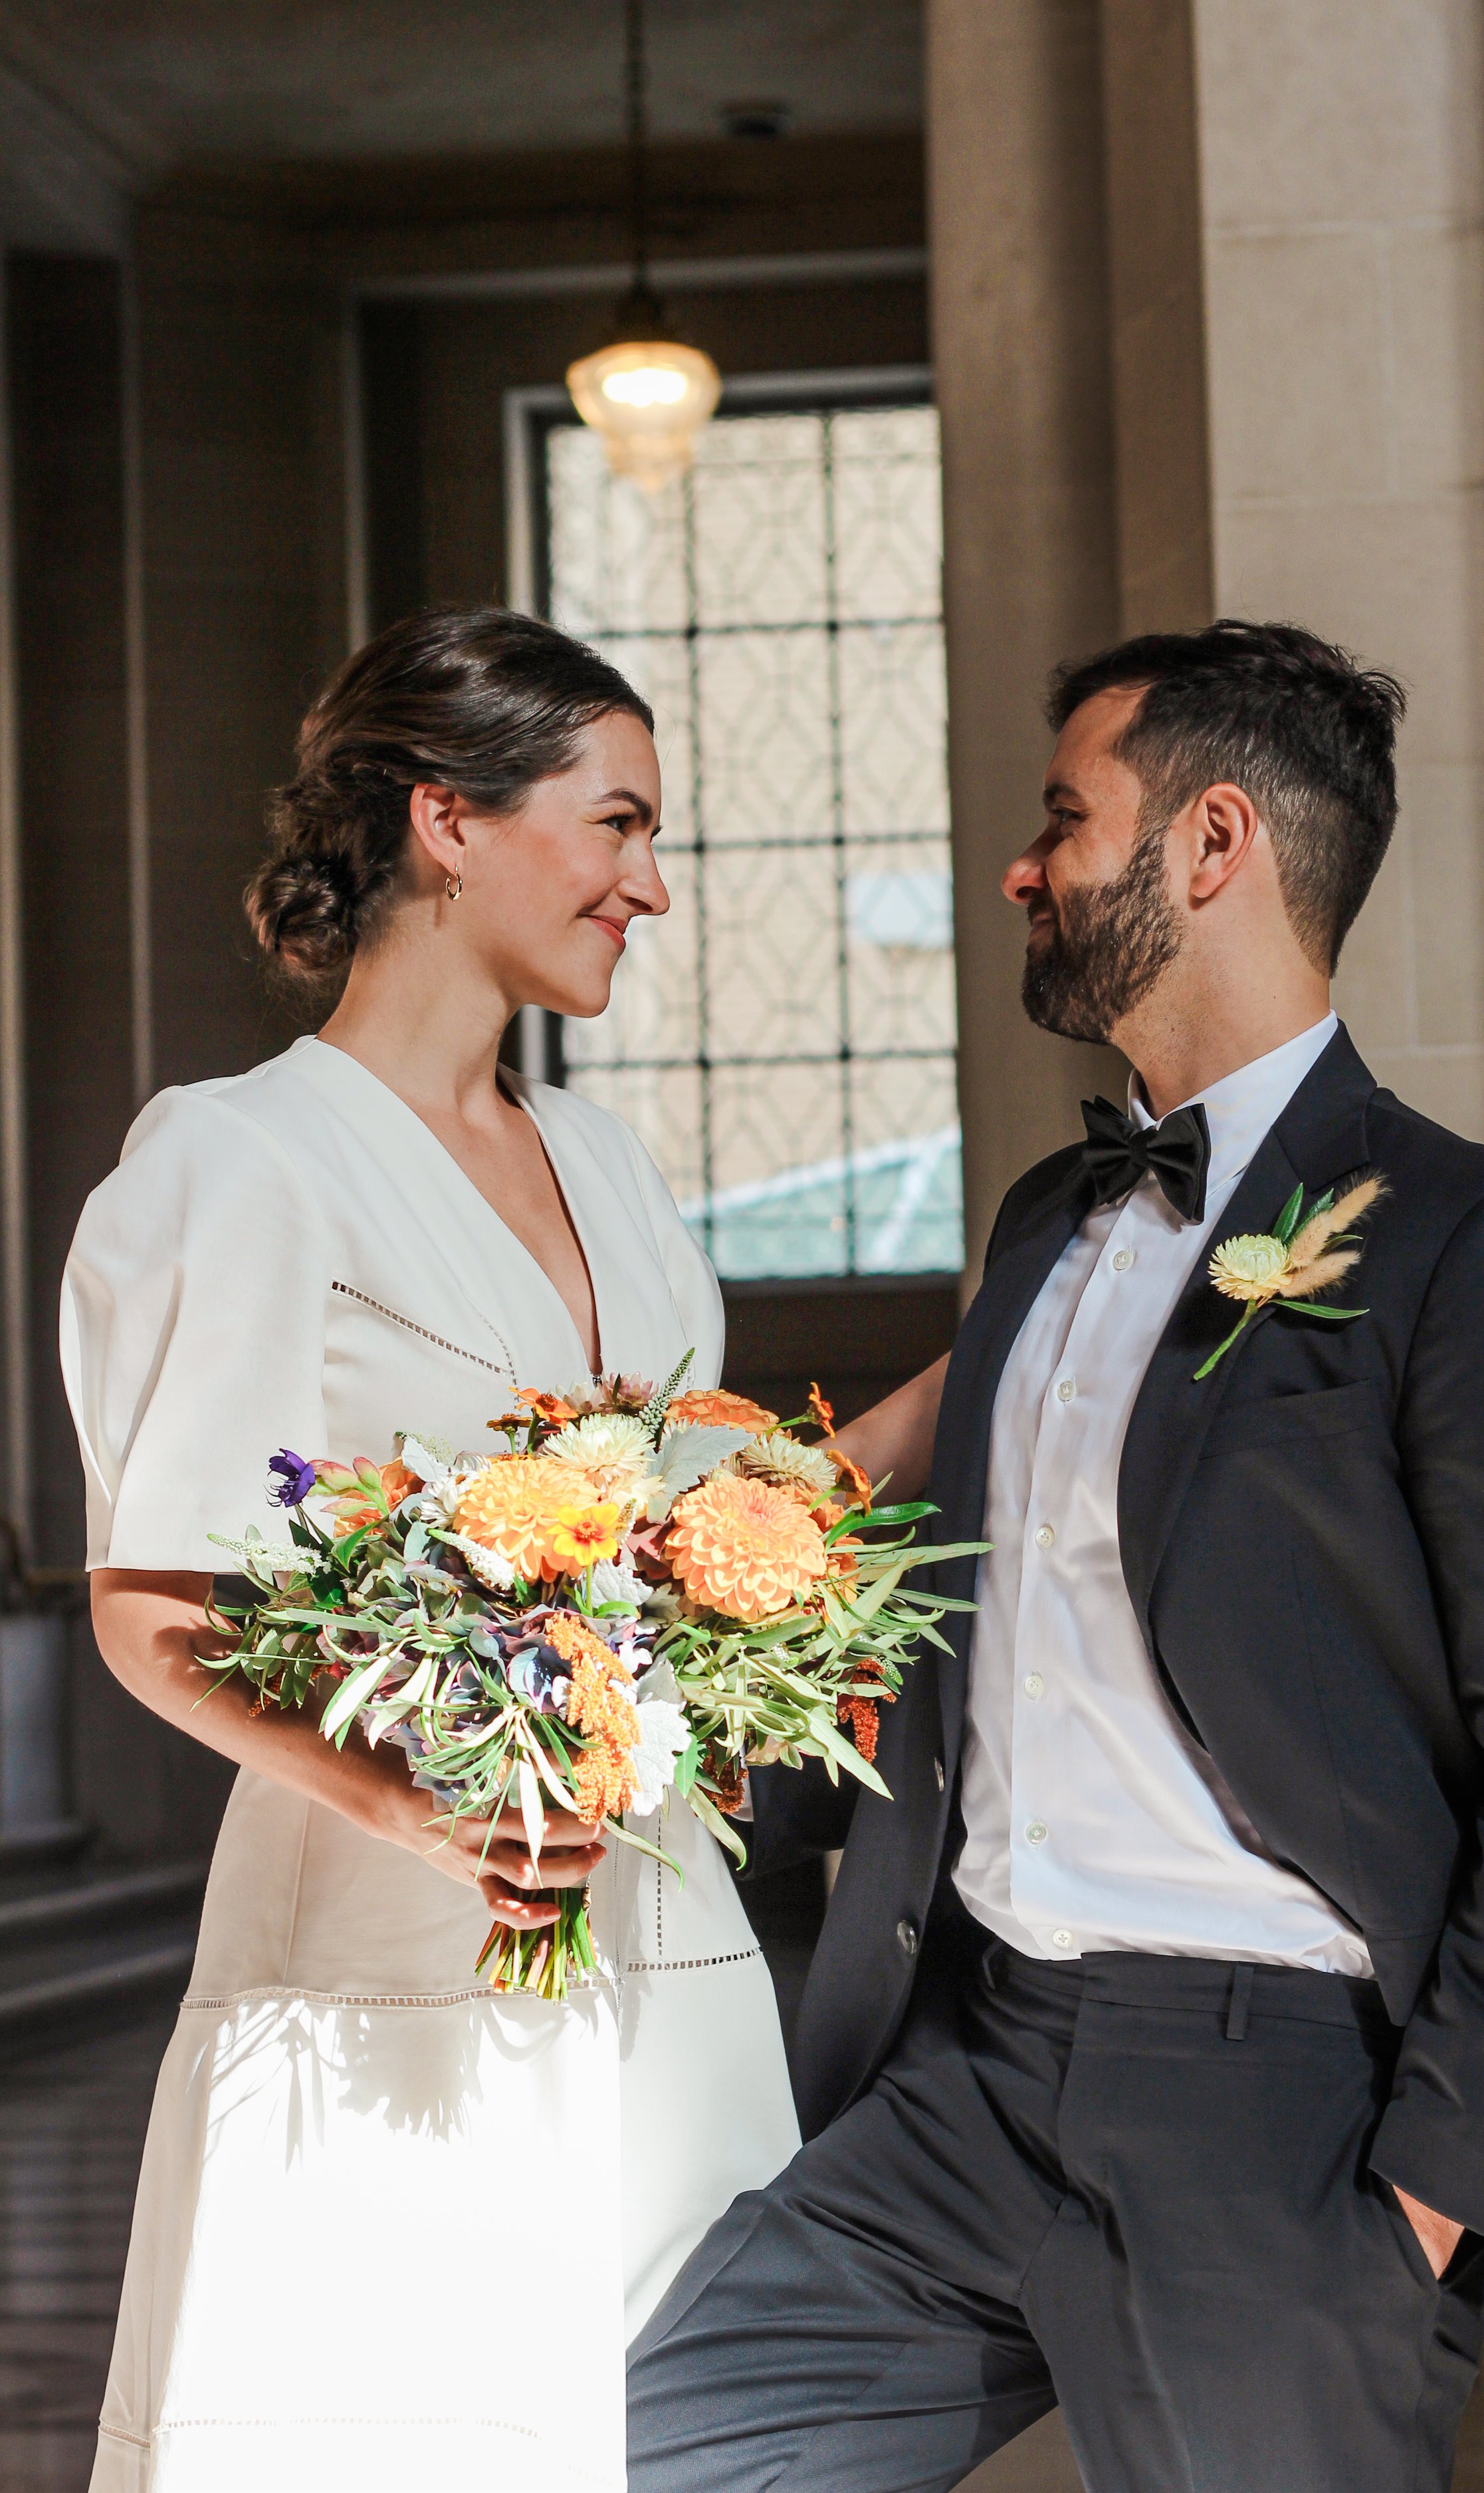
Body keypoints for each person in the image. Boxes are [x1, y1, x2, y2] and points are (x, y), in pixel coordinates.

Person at [628, 619, 1484, 2493]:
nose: (1021, 868)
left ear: (1208, 846)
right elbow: (905, 1544)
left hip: (1277, 2116)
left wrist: (1429, 2191)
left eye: (1061, 820)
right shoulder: (1049, 1218)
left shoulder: (1481, 1243)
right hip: (967, 2068)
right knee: (642, 2454)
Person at [60, 607, 800, 2493]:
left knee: (691, 2441)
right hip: (393, 1956)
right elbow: (157, 1617)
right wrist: (424, 1810)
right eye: (615, 825)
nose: (646, 884)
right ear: (446, 820)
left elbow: (712, 1509)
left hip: (664, 1931)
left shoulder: (616, 1166)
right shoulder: (239, 1160)